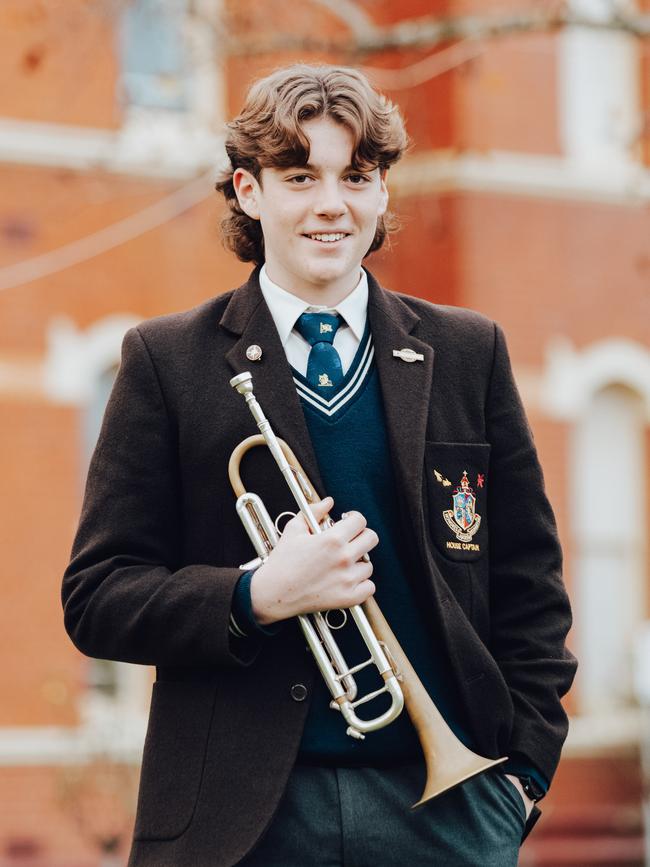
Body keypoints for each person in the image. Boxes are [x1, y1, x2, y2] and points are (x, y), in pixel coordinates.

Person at [62, 64, 577, 867]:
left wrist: (524, 776)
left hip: (447, 809)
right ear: (249, 189)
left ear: (381, 194)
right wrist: (256, 593)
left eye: (356, 176)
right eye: (300, 176)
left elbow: (530, 585)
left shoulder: (466, 351)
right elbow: (96, 596)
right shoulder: (167, 361)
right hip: (243, 821)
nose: (331, 204)